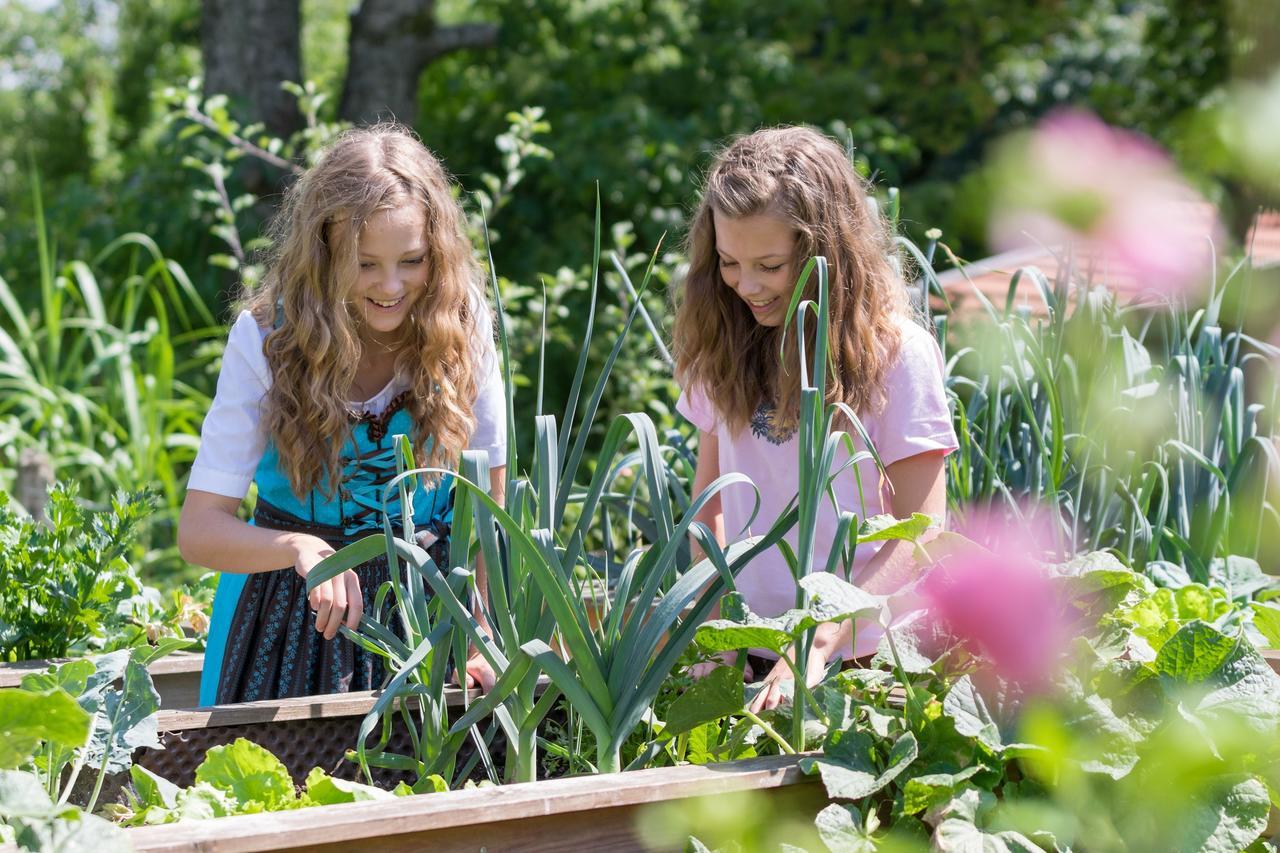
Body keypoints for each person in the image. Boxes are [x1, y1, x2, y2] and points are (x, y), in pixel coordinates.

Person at [179, 124, 506, 706]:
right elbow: (199, 531)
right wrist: (297, 549)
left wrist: (481, 628)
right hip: (284, 617)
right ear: (323, 251)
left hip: (430, 615)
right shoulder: (266, 340)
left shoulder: (463, 323)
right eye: (365, 263)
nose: (390, 285)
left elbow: (488, 500)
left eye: (412, 260)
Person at [672, 126, 958, 712]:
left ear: (826, 252)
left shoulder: (897, 354)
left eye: (770, 265)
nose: (746, 286)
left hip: (865, 658)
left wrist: (818, 639)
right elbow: (710, 503)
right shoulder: (724, 344)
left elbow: (922, 531)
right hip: (753, 645)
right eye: (728, 262)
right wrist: (719, 612)